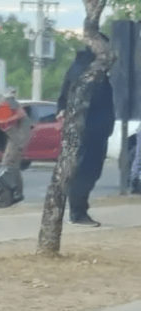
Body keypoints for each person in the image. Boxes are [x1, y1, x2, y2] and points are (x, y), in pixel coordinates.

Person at [56, 47, 116, 226]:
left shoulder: (88, 69)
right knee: (85, 171)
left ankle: (79, 210)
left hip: (94, 130)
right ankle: (77, 212)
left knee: (88, 171)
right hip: (88, 130)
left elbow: (63, 96)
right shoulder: (87, 71)